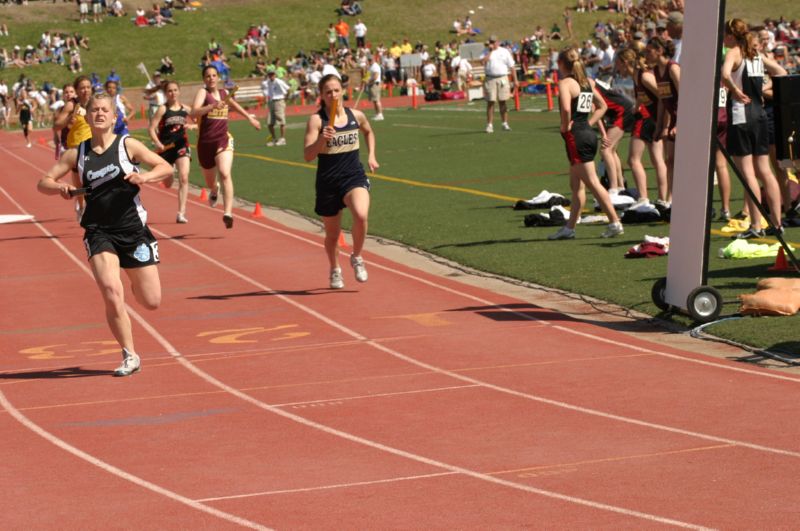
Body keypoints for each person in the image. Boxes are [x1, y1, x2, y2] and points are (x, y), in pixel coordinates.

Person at [36, 92, 173, 377]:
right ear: (87, 116)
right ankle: (129, 354)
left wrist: (144, 177)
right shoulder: (77, 153)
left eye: (104, 110)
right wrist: (58, 188)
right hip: (99, 231)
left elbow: (164, 166)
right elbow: (43, 182)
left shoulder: (128, 145)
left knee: (151, 301)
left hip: (133, 230)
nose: (99, 113)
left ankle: (134, 277)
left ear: (114, 117)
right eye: (94, 110)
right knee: (111, 291)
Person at [303, 74, 378, 289]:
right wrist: (321, 140)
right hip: (328, 181)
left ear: (343, 91)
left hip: (353, 175)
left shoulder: (356, 115)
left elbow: (369, 132)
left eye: (336, 90)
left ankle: (357, 256)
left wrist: (372, 155)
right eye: (328, 92)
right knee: (333, 235)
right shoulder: (317, 121)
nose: (333, 95)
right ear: (322, 96)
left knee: (361, 214)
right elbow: (308, 155)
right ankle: (335, 268)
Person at [548, 46, 623, 240]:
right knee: (576, 186)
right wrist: (587, 123)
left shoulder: (566, 83)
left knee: (592, 183)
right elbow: (603, 106)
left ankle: (614, 222)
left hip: (577, 137)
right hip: (586, 134)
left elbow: (565, 108)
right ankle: (569, 227)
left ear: (561, 64)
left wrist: (565, 126)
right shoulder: (587, 82)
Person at [721, 18, 787, 238]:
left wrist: (735, 91)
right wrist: (763, 87)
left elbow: (724, 74)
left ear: (730, 35)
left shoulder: (734, 52)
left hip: (741, 115)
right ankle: (777, 223)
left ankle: (756, 225)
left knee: (747, 172)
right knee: (766, 171)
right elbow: (781, 73)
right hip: (759, 114)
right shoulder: (757, 54)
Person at [191, 64, 261, 229]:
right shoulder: (203, 93)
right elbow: (193, 113)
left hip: (222, 140)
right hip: (204, 143)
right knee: (210, 181)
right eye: (208, 76)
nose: (211, 78)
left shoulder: (224, 94)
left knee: (224, 172)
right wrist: (211, 107)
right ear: (204, 79)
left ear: (218, 77)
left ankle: (228, 212)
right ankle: (214, 190)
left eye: (214, 75)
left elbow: (235, 106)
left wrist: (249, 118)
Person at [149, 80, 195, 223]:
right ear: (165, 93)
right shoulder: (163, 109)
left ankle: (181, 213)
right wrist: (158, 143)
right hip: (166, 148)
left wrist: (194, 125)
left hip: (182, 145)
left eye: (175, 90)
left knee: (184, 177)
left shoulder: (185, 109)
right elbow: (151, 128)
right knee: (168, 184)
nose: (173, 93)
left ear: (179, 91)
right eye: (169, 91)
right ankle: (170, 169)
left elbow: (199, 120)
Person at [648, 36, 679, 207]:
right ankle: (671, 199)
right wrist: (660, 125)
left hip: (684, 118)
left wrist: (679, 124)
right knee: (670, 160)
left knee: (681, 161)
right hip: (673, 118)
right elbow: (662, 100)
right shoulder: (656, 71)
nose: (646, 54)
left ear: (659, 51)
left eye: (649, 51)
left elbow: (685, 95)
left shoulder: (672, 68)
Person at [482, 35, 517, 133]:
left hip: (502, 78)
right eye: (491, 42)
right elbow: (483, 61)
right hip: (490, 78)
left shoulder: (504, 51)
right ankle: (489, 125)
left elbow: (512, 66)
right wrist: (490, 51)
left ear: (498, 42)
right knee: (490, 102)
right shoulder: (486, 51)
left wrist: (515, 80)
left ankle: (505, 123)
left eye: (494, 42)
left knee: (503, 101)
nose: (493, 43)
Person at [262, 69, 290, 146]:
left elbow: (288, 89)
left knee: (281, 120)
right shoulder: (267, 82)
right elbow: (263, 87)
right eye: (270, 74)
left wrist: (286, 98)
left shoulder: (279, 81)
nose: (271, 76)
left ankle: (282, 139)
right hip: (271, 101)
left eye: (272, 74)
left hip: (279, 101)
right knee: (270, 123)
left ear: (275, 75)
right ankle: (274, 139)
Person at [365, 54, 384, 120]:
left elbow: (376, 76)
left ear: (373, 59)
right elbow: (368, 75)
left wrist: (369, 80)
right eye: (369, 60)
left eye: (371, 60)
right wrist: (366, 79)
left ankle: (380, 114)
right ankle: (377, 114)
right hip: (371, 84)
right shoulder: (370, 66)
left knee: (376, 100)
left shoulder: (375, 66)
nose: (370, 61)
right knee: (374, 100)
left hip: (375, 84)